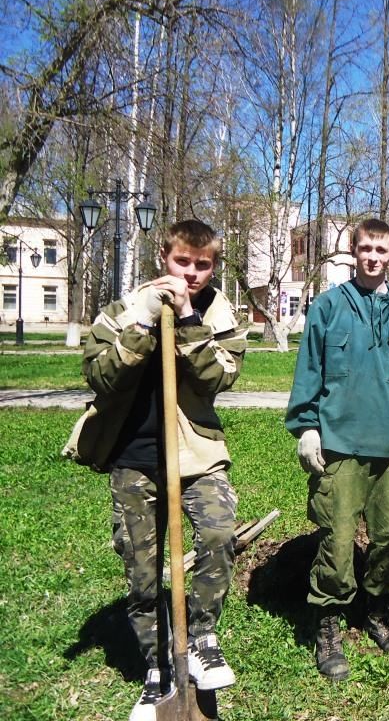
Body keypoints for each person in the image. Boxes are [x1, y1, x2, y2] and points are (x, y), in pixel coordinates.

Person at [73, 219, 247, 721]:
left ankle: (203, 638)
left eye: (203, 264)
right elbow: (99, 375)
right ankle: (157, 671)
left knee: (218, 533)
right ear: (163, 258)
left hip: (195, 452)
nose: (191, 273)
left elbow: (221, 377)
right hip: (134, 453)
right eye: (182, 262)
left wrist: (190, 320)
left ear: (213, 266)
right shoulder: (124, 308)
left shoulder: (218, 312)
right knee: (142, 572)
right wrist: (145, 322)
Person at [285, 218, 389, 681]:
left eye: (380, 250)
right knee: (338, 537)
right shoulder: (328, 307)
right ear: (353, 252)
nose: (372, 256)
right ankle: (328, 623)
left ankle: (378, 613)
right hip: (340, 444)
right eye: (364, 248)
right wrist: (307, 426)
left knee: (387, 537)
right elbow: (309, 370)